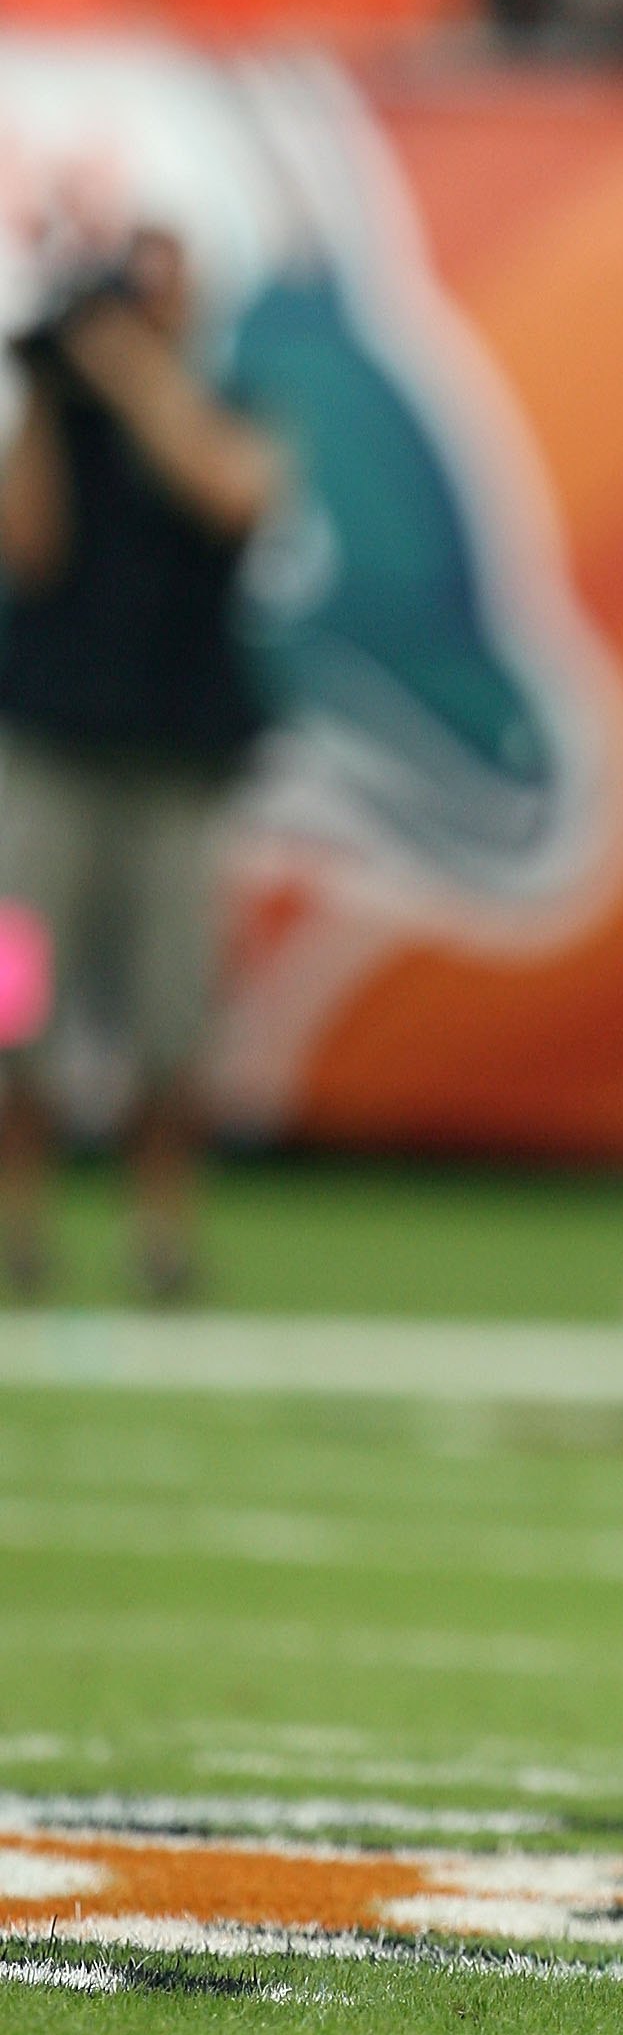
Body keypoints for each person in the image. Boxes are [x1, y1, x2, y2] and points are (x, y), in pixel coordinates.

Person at [0, 218, 280, 1301]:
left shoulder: (217, 407)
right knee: (15, 1006)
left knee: (172, 1017)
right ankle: (21, 1228)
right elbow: (28, 552)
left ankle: (161, 1234)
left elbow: (229, 488)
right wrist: (42, 395)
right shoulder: (59, 421)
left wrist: (125, 369)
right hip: (48, 757)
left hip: (176, 767)